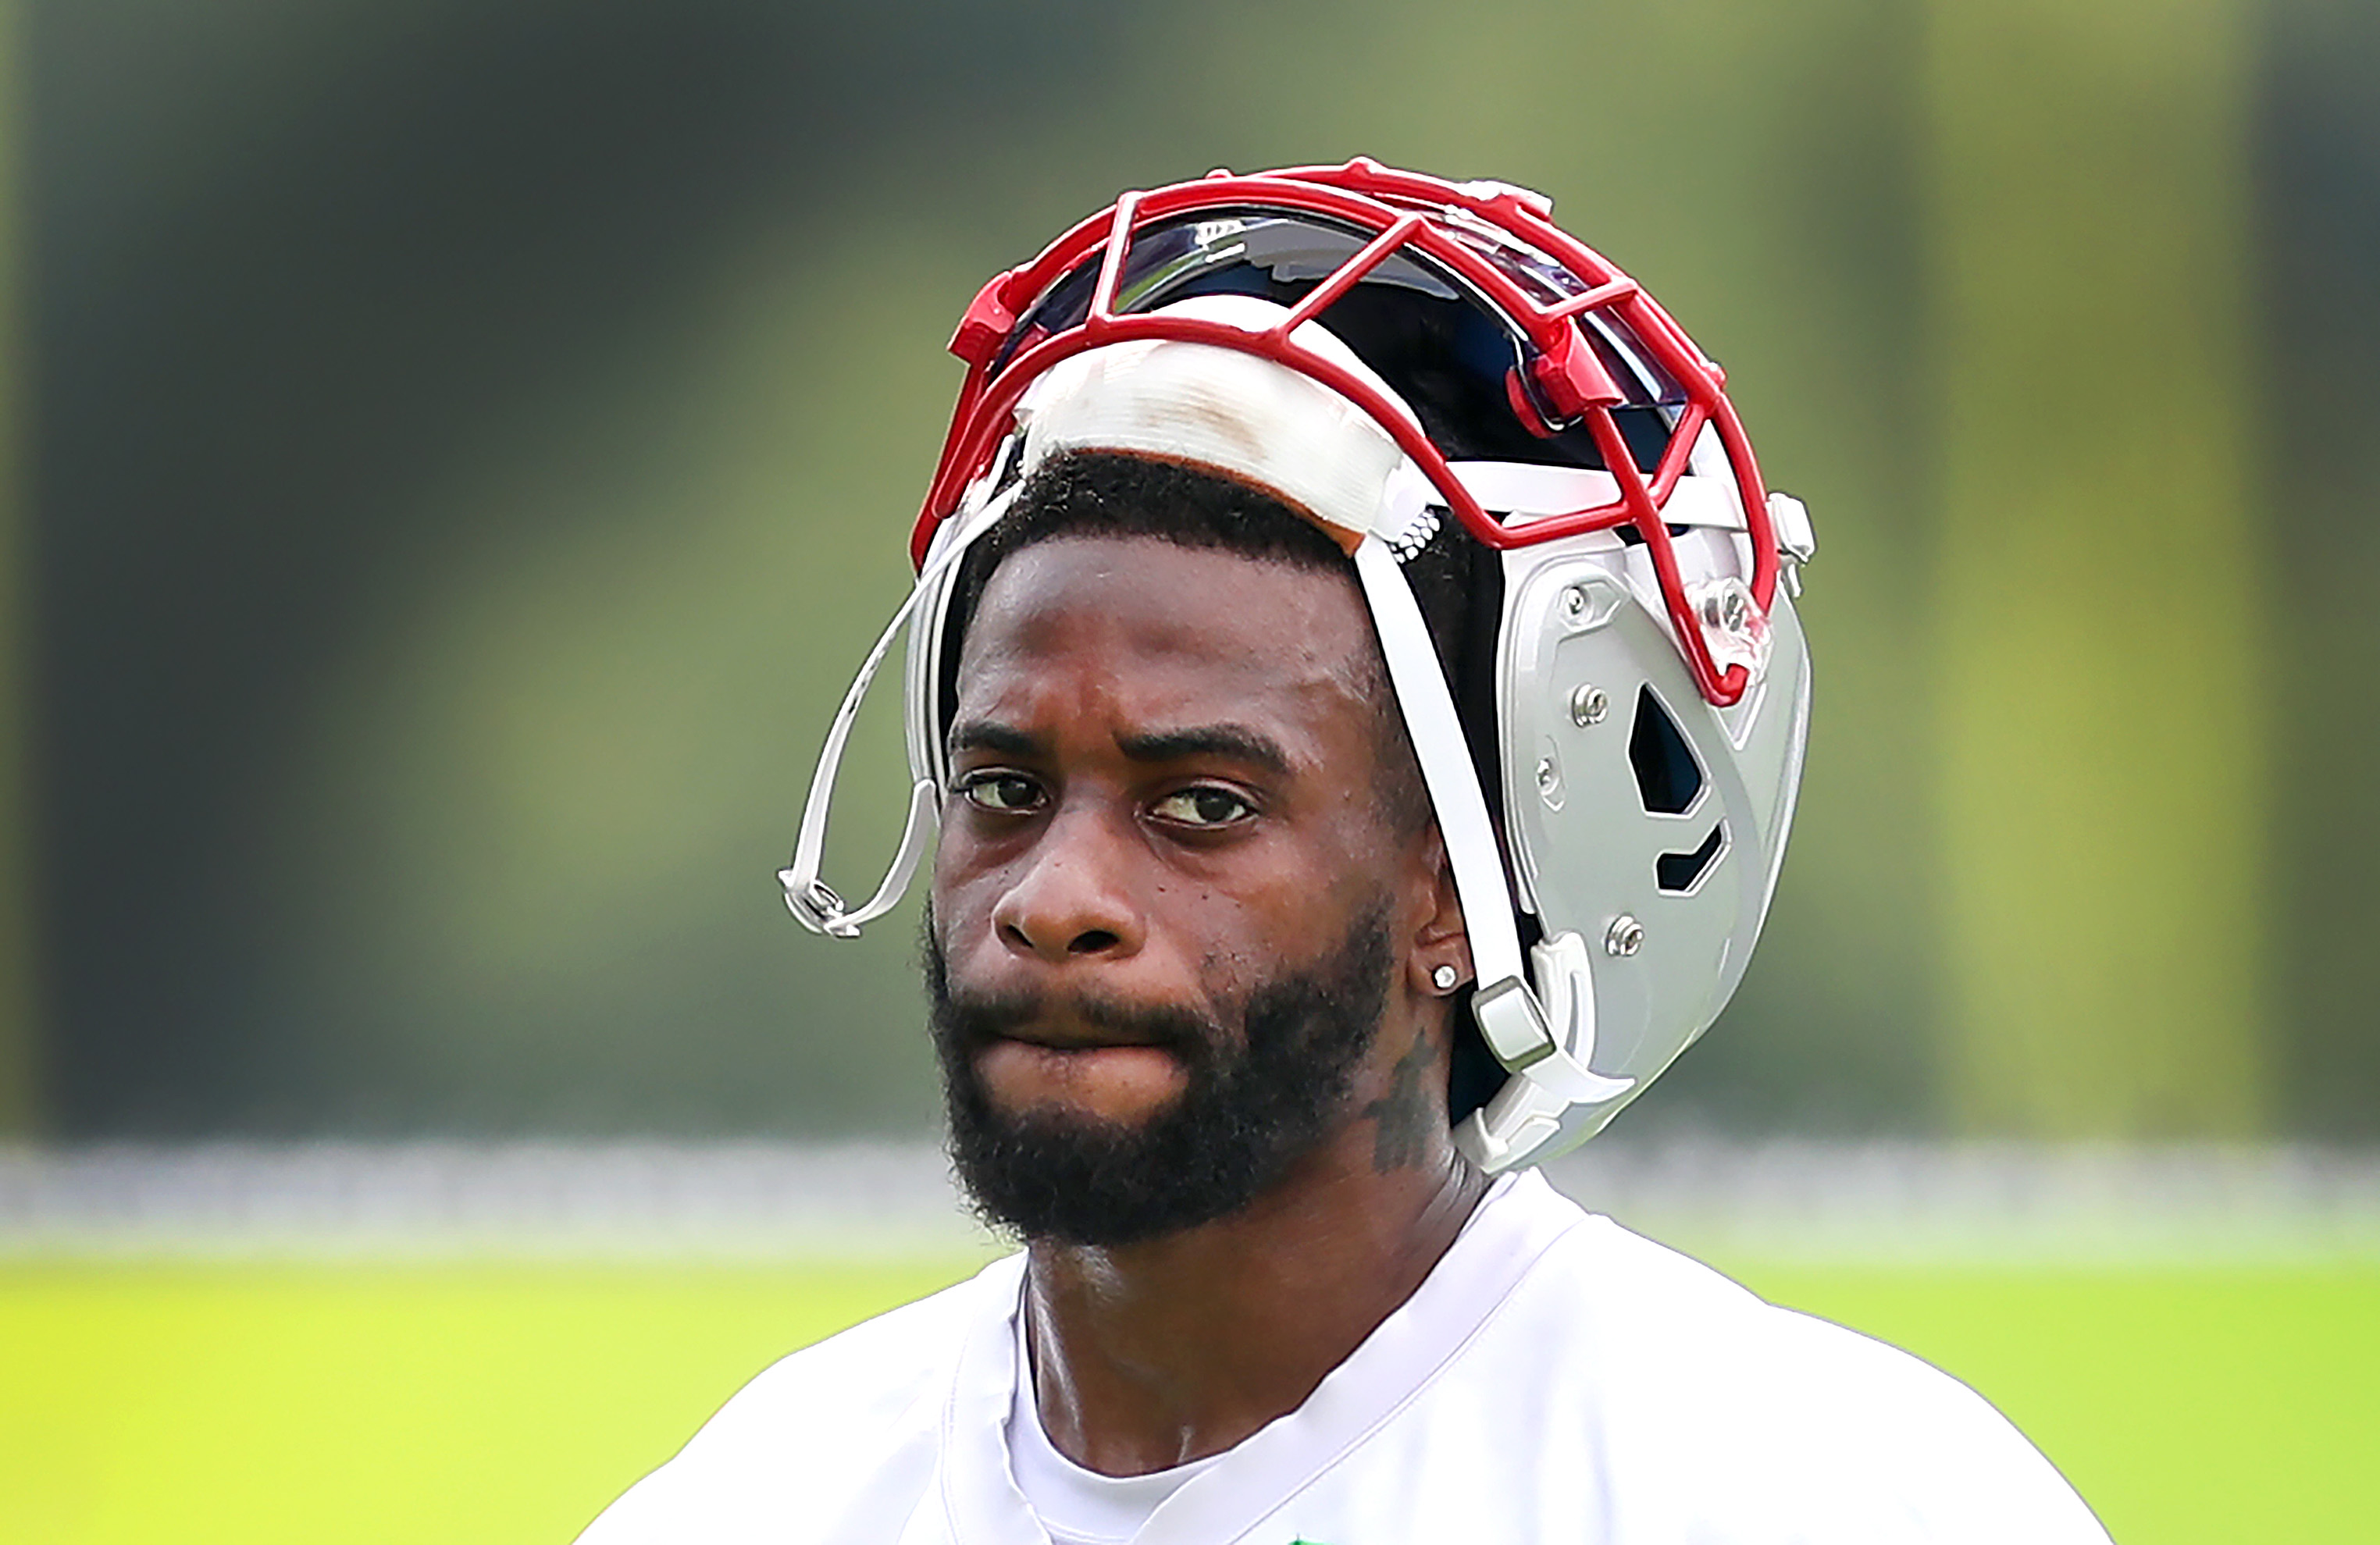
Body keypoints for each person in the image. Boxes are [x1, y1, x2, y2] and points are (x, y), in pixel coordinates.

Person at [580, 160, 2108, 1543]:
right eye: (1005, 785)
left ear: (1459, 883)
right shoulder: (755, 1501)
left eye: (1203, 806)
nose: (1054, 900)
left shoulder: (1819, 1498)